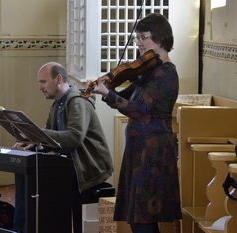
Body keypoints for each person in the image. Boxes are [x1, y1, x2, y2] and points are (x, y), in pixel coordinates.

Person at [87, 13, 182, 233]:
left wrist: (107, 94)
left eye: (143, 37)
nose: (138, 42)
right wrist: (106, 88)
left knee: (143, 219)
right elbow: (126, 99)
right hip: (140, 152)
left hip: (154, 154)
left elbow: (137, 109)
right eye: (137, 37)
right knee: (139, 218)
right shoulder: (149, 70)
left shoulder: (166, 73)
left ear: (159, 38)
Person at [12, 62, 114, 233]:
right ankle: (23, 228)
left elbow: (74, 138)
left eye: (43, 82)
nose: (40, 87)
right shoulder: (57, 105)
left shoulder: (77, 101)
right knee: (26, 173)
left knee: (38, 181)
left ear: (58, 79)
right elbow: (51, 140)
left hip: (86, 168)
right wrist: (34, 143)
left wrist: (37, 134)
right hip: (69, 165)